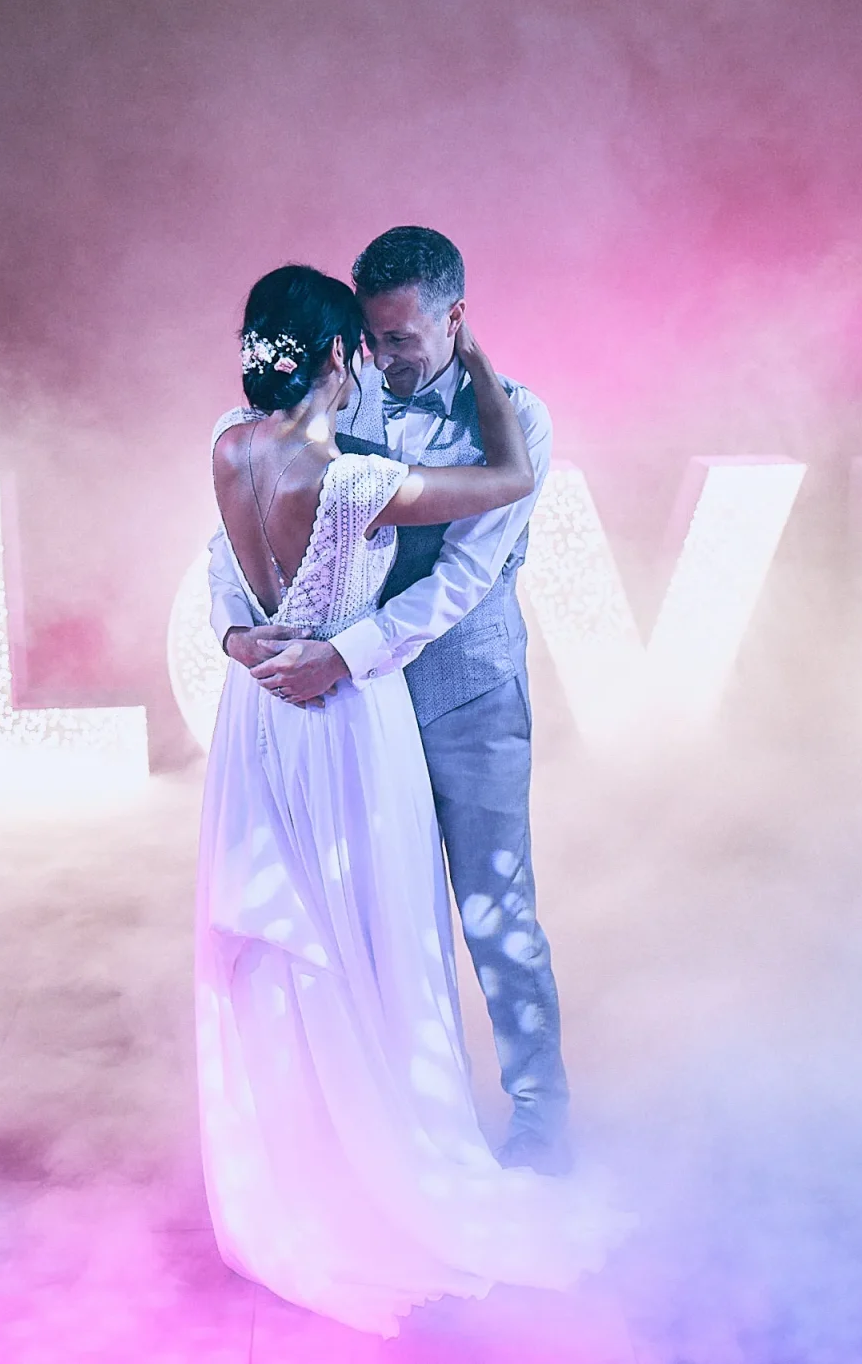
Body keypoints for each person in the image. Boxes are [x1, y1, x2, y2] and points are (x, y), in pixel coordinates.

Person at [193, 263, 614, 1335]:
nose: (382, 363)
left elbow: (467, 572)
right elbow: (234, 552)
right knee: (351, 933)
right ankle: (362, 1150)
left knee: (446, 921)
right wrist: (244, 632)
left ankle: (517, 1121)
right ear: (339, 353)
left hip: (399, 697)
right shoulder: (341, 451)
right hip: (340, 719)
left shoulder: (236, 443)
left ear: (452, 317)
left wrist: (315, 644)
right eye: (366, 345)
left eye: (402, 341)